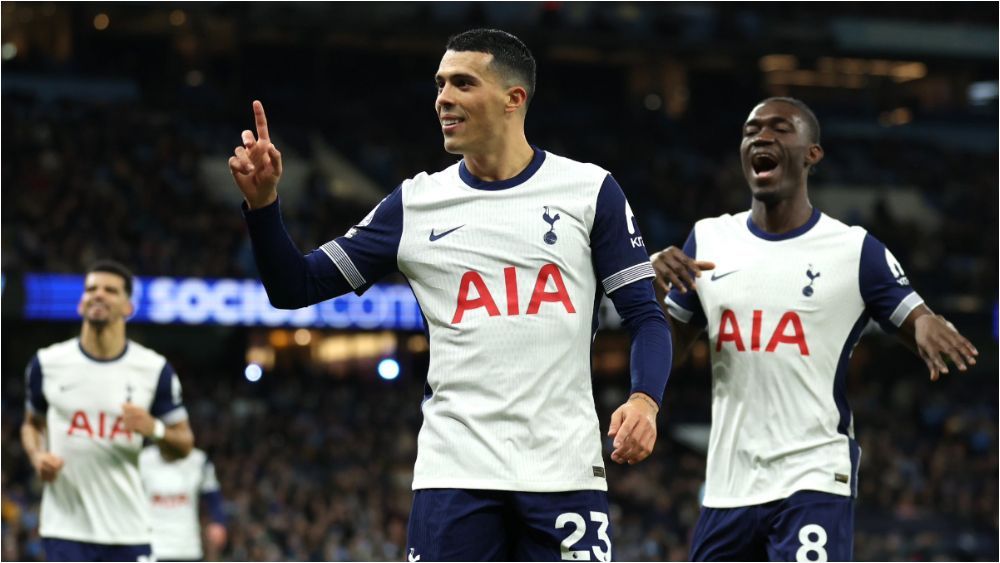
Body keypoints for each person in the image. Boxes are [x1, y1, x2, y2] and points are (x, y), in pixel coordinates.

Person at [229, 29, 671, 561]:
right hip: (453, 472)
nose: (443, 98)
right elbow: (293, 287)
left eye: (463, 83)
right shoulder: (417, 203)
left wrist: (645, 399)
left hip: (564, 470)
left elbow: (646, 316)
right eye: (440, 84)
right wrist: (263, 206)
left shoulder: (590, 191)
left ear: (514, 99)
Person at [651, 97, 979, 561]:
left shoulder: (855, 250)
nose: (761, 137)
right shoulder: (708, 240)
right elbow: (670, 348)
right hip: (729, 486)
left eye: (780, 128)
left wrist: (925, 326)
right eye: (751, 130)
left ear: (812, 153)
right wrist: (654, 296)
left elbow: (916, 317)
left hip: (814, 478)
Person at [20, 260, 194, 562]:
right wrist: (37, 456)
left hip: (129, 530)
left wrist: (154, 428)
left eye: (110, 290)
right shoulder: (47, 363)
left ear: (128, 307)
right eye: (91, 289)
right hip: (65, 529)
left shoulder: (154, 369)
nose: (98, 295)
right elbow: (31, 424)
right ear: (80, 303)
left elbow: (185, 444)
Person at [140, 444, 227, 561]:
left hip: (188, 548)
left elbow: (213, 494)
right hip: (152, 547)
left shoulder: (199, 461)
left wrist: (218, 521)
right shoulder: (142, 459)